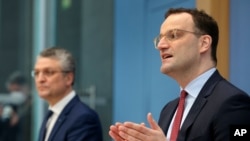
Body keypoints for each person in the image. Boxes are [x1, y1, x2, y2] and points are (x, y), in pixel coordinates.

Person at [109, 8, 250, 141]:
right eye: (160, 39)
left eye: (174, 35)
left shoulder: (233, 103)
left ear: (204, 43)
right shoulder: (169, 109)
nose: (161, 45)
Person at [33, 47, 103, 141]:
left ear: (68, 78)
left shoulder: (83, 118)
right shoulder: (51, 115)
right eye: (37, 73)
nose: (40, 79)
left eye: (49, 72)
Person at [0, 71, 31, 141]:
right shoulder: (9, 106)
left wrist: (19, 119)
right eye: (12, 91)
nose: (15, 95)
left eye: (17, 90)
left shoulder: (33, 108)